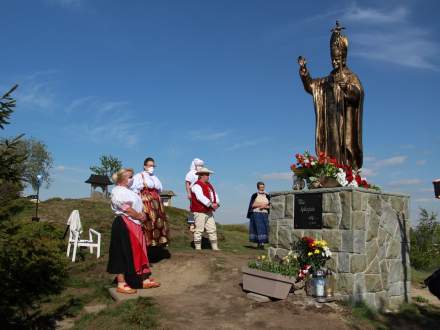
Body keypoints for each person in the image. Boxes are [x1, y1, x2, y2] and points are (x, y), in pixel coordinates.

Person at [107, 168, 160, 294]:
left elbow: (137, 206)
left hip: (135, 223)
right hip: (124, 223)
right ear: (121, 179)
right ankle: (121, 282)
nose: (132, 179)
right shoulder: (117, 191)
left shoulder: (130, 191)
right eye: (129, 177)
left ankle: (144, 279)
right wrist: (137, 215)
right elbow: (123, 206)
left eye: (132, 176)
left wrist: (142, 215)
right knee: (122, 252)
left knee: (141, 250)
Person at [132, 157, 169, 247]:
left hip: (156, 202)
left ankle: (157, 242)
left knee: (158, 221)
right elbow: (134, 189)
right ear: (145, 166)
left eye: (153, 166)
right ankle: (147, 243)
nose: (152, 167)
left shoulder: (155, 177)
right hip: (146, 202)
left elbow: (160, 188)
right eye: (150, 165)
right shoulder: (139, 176)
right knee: (149, 221)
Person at [190, 167, 220, 250]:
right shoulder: (196, 185)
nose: (208, 176)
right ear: (201, 175)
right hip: (199, 211)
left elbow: (215, 194)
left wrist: (217, 203)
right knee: (199, 230)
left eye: (208, 174)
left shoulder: (209, 185)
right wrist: (210, 204)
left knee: (212, 229)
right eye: (206, 174)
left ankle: (215, 247)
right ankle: (198, 248)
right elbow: (200, 197)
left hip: (208, 211)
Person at [247, 182, 271, 249]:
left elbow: (270, 205)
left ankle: (262, 244)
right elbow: (252, 205)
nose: (262, 188)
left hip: (265, 213)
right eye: (260, 187)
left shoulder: (268, 195)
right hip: (256, 213)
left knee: (264, 228)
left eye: (263, 187)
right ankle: (259, 243)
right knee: (258, 228)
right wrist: (261, 205)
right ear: (258, 187)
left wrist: (264, 206)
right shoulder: (255, 195)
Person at [185, 158, 205, 232]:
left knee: (202, 208)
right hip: (193, 193)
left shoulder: (203, 173)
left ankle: (200, 223)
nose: (200, 166)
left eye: (201, 165)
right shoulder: (190, 173)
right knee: (192, 208)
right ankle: (192, 224)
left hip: (202, 194)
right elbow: (187, 184)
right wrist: (189, 193)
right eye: (198, 165)